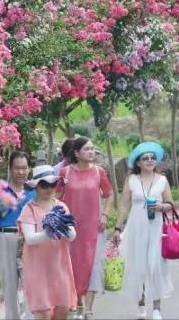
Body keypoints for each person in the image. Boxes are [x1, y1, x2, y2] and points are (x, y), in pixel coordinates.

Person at [111, 141, 174, 320]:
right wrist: (117, 228)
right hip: (136, 227)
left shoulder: (162, 180)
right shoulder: (131, 180)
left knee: (155, 265)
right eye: (145, 158)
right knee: (138, 266)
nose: (149, 161)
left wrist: (161, 206)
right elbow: (123, 206)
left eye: (152, 158)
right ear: (138, 163)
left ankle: (156, 307)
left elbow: (170, 204)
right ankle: (141, 304)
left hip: (156, 229)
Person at [57, 137, 114, 320]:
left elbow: (109, 194)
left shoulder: (99, 172)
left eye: (93, 149)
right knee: (73, 266)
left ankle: (88, 310)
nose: (92, 152)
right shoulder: (64, 173)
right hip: (71, 229)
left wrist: (105, 214)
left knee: (93, 266)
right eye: (87, 149)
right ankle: (79, 305)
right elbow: (56, 197)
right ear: (76, 153)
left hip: (94, 228)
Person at [0, 151, 36, 320]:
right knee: (9, 286)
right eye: (17, 168)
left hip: (28, 240)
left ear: (29, 169)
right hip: (6, 238)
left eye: (24, 168)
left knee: (31, 283)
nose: (21, 172)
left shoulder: (35, 190)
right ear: (10, 169)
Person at [20, 166, 78, 320]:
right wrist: (50, 231)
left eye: (53, 184)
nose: (49, 188)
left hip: (60, 266)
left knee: (62, 310)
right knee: (43, 313)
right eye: (44, 185)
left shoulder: (61, 206)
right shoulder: (29, 209)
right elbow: (30, 239)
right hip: (38, 268)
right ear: (36, 186)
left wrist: (65, 228)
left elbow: (72, 235)